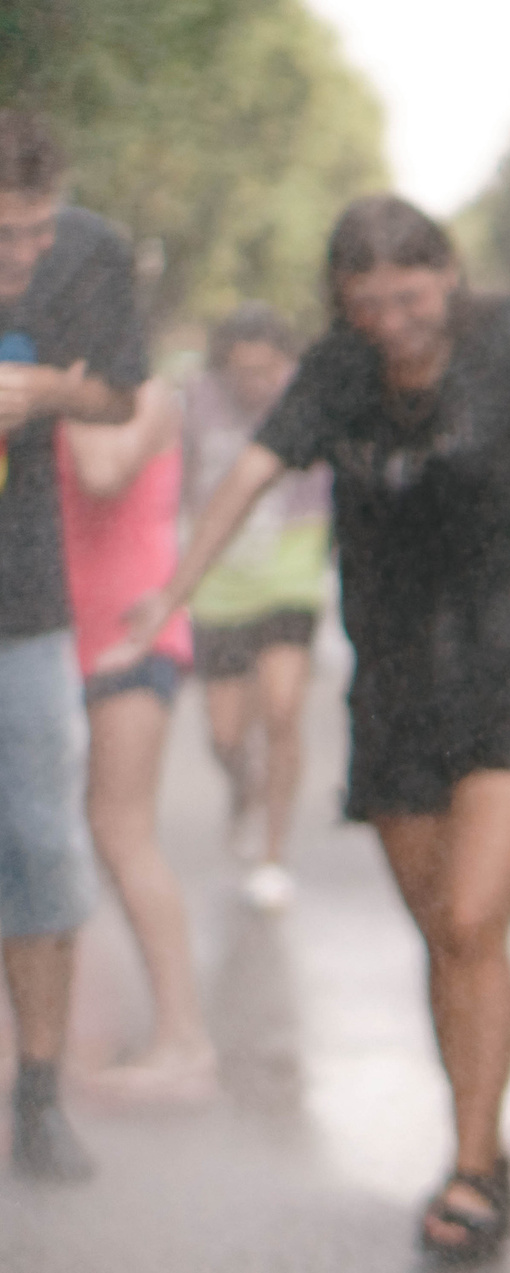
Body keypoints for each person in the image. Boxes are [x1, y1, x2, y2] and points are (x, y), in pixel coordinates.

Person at [108, 195, 510, 1260]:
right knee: (444, 934)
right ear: (341, 303)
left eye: (410, 297)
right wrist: (173, 591)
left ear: (448, 276)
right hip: (400, 687)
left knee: (469, 919)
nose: (393, 323)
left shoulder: (505, 336)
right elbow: (250, 472)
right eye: (367, 303)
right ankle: (480, 1149)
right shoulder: (335, 367)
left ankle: (469, 1167)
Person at [0, 110, 150, 1182]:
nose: (25, 257)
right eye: (2, 235)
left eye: (36, 232)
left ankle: (40, 1096)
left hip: (24, 605)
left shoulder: (89, 255)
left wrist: (51, 391)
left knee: (45, 850)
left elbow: (122, 392)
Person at [60, 373, 217, 1103]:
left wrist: (49, 395)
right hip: (50, 639)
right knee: (38, 837)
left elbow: (101, 470)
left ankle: (184, 1041)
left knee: (120, 830)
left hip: (134, 635)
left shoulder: (149, 395)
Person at [181, 304, 332, 909]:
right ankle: (243, 789)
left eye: (267, 370)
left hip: (290, 571)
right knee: (223, 733)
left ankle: (273, 851)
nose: (256, 384)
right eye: (243, 371)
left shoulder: (310, 400)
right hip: (219, 581)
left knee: (282, 707)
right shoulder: (196, 402)